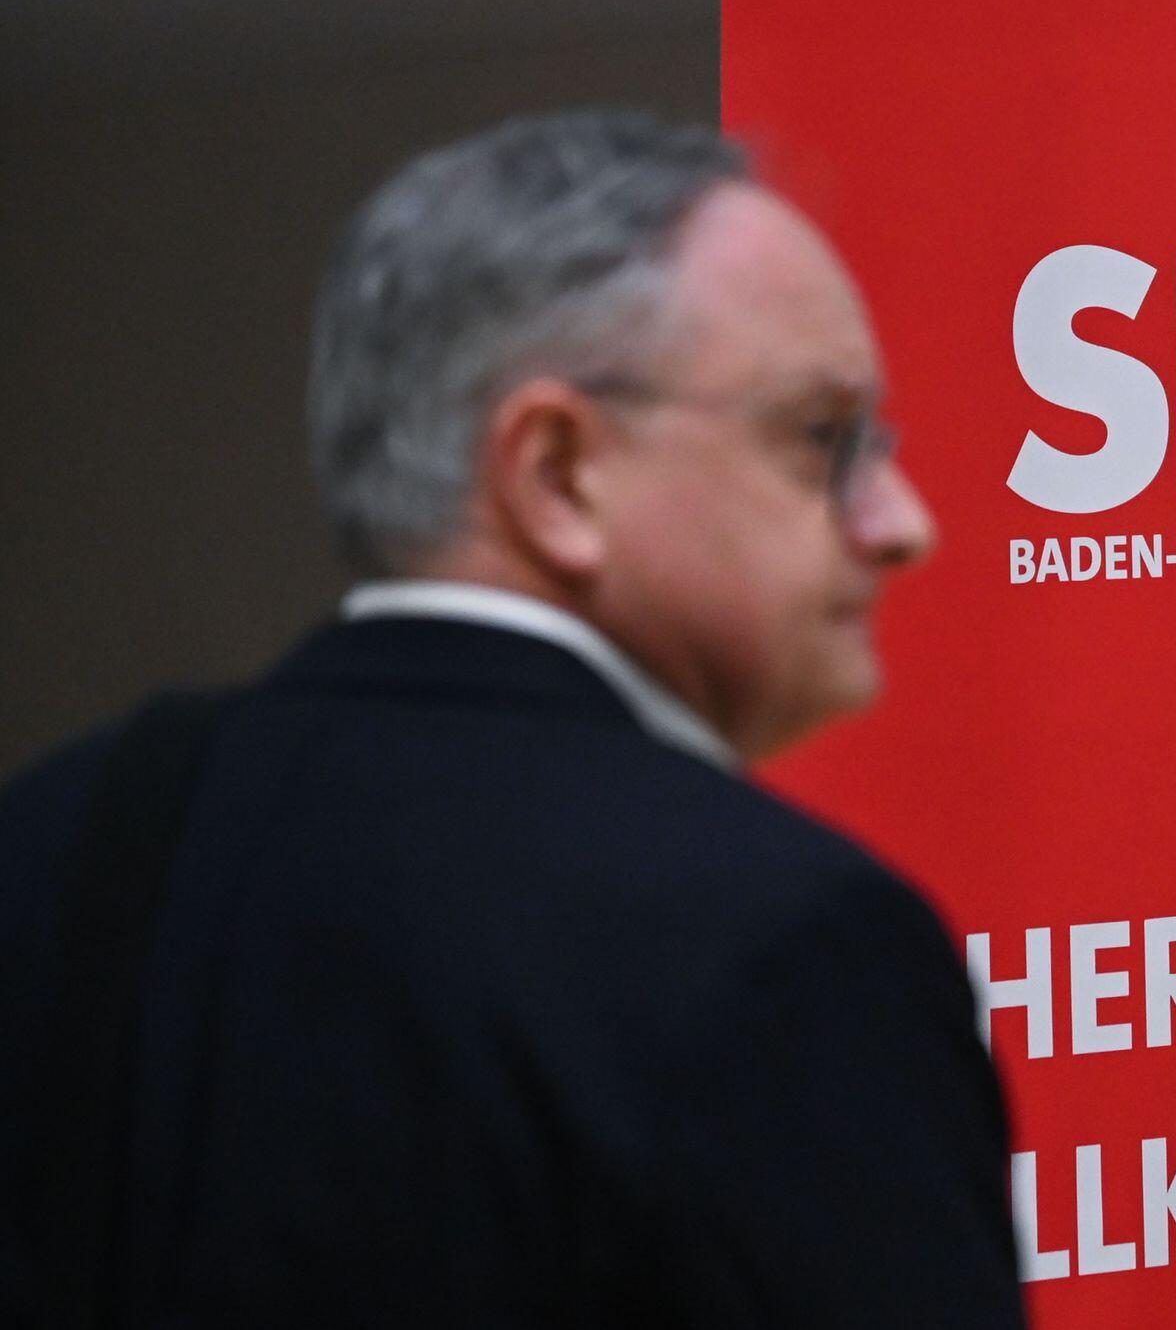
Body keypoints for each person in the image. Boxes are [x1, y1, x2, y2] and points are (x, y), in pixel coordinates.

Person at [0, 110, 1027, 1327]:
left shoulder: (54, 837)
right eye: (820, 439)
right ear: (555, 473)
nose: (901, 523)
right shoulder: (780, 944)